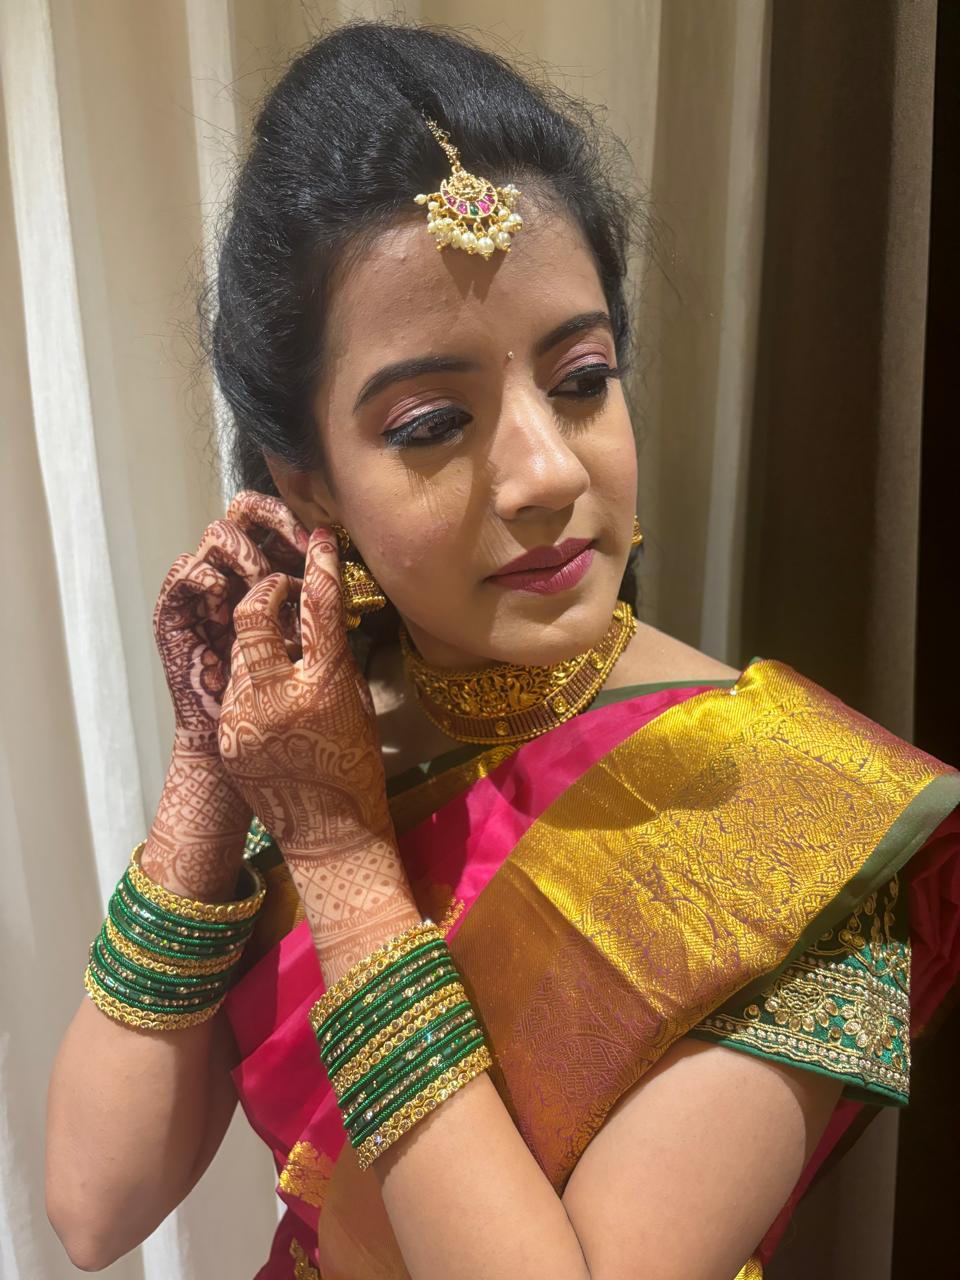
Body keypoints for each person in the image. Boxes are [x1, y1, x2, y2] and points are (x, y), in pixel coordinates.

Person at [45, 20, 960, 1280]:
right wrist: (210, 774)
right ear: (308, 485)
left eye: (581, 379)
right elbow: (94, 1206)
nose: (545, 473)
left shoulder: (787, 815)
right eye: (433, 421)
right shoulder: (319, 736)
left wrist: (346, 867)